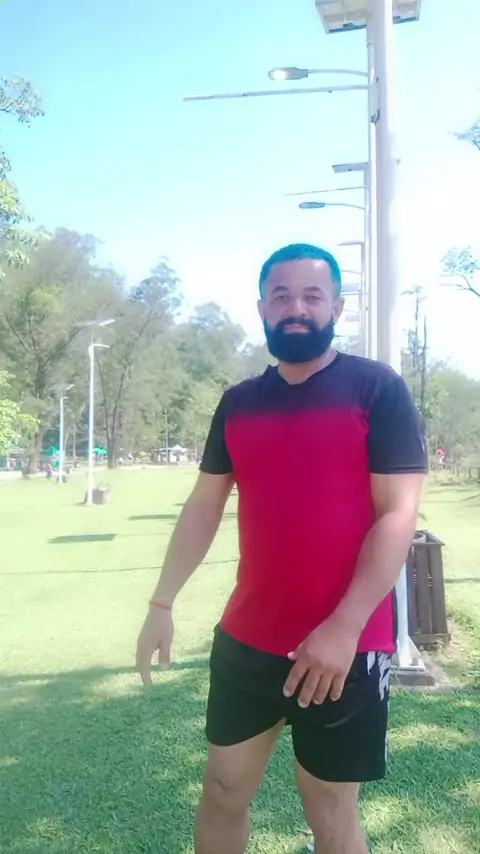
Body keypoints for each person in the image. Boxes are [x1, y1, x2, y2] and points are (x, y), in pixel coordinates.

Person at [136, 243, 427, 854]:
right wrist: (162, 602)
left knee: (330, 813)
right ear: (263, 308)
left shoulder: (377, 389)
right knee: (222, 791)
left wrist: (344, 627)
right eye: (282, 296)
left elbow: (398, 514)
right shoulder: (239, 402)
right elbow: (204, 504)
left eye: (312, 296)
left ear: (337, 308)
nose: (297, 308)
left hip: (348, 647)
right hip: (248, 638)